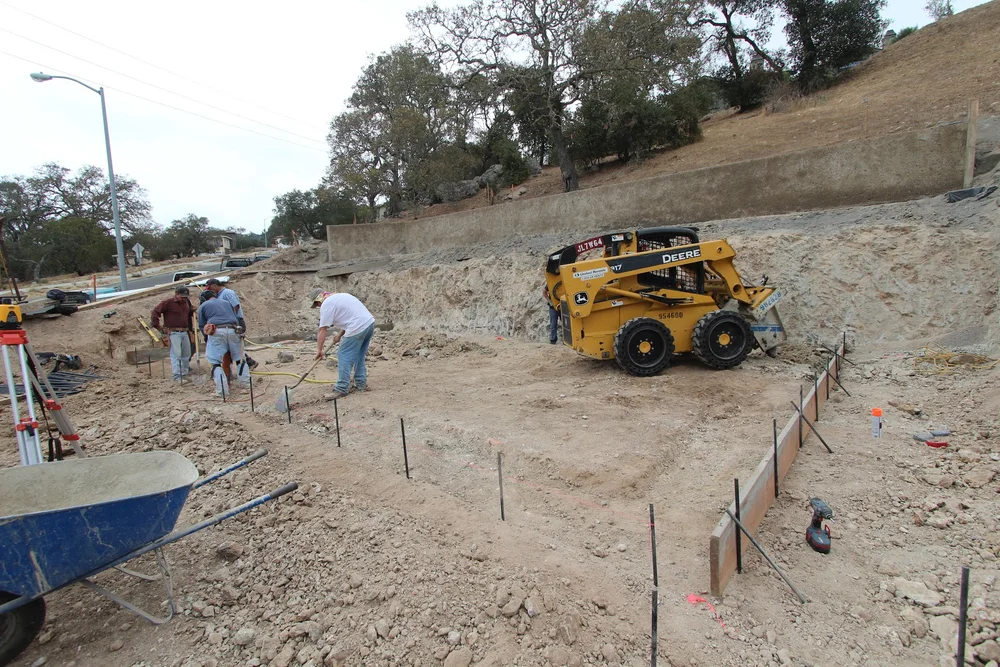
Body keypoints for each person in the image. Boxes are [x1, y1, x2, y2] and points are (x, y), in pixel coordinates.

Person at [311, 288, 375, 400]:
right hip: (369, 323)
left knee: (344, 354)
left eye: (317, 305)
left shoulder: (326, 304)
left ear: (318, 301)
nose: (318, 307)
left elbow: (322, 330)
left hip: (357, 327)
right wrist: (339, 335)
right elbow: (351, 317)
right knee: (359, 355)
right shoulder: (341, 296)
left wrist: (319, 350)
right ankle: (361, 384)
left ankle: (341, 388)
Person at [197, 290, 245, 396]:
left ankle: (222, 391)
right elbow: (235, 317)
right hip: (234, 330)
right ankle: (246, 384)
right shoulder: (226, 302)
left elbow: (202, 325)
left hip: (216, 331)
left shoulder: (203, 305)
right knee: (240, 358)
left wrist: (206, 337)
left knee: (215, 362)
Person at [205, 278, 258, 369]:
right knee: (231, 345)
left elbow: (235, 306)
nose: (210, 291)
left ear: (214, 286)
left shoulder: (227, 293)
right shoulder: (219, 296)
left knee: (235, 345)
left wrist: (231, 320)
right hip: (230, 322)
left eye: (210, 288)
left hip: (235, 321)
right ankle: (246, 363)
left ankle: (247, 363)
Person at [151, 286, 195, 381]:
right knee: (176, 354)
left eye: (185, 297)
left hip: (185, 331)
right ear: (176, 294)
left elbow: (189, 314)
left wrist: (192, 310)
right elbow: (155, 312)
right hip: (174, 332)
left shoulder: (186, 303)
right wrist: (158, 327)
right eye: (182, 297)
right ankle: (177, 375)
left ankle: (184, 373)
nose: (184, 299)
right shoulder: (168, 303)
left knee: (186, 353)